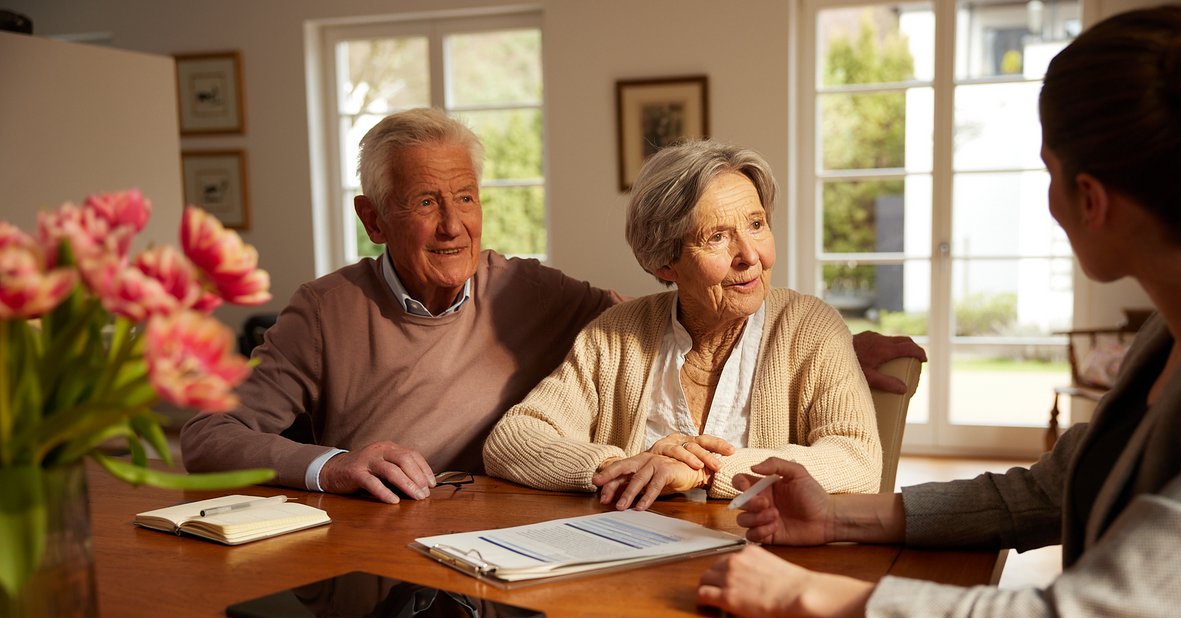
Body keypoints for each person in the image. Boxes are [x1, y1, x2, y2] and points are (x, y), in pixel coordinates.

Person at [696, 7, 1181, 618]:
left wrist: (809, 594)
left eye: (1047, 172)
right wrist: (840, 518)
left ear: (1091, 197)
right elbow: (1047, 491)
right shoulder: (1166, 339)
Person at [182, 108, 922, 504]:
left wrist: (818, 342)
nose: (454, 225)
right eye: (425, 203)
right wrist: (331, 467)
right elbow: (210, 437)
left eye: (466, 198)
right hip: (380, 532)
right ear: (374, 220)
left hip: (516, 528)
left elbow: (669, 313)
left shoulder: (530, 291)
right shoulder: (324, 311)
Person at [484, 140, 882, 510]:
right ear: (664, 262)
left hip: (763, 562)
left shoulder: (810, 327)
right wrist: (625, 466)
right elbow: (513, 439)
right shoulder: (614, 335)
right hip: (628, 557)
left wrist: (706, 470)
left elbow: (857, 459)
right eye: (717, 237)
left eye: (757, 225)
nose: (749, 255)